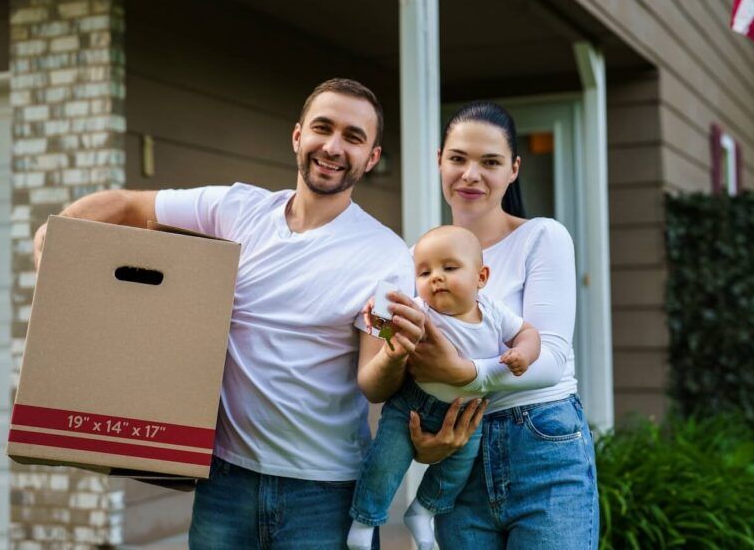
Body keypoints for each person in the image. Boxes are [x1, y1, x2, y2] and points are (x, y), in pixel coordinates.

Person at [31, 78, 448, 549]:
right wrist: (61, 231)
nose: (332, 147)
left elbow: (373, 383)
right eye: (322, 128)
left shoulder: (385, 255)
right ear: (297, 136)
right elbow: (130, 204)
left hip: (325, 494)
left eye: (353, 137)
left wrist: (393, 357)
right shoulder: (239, 209)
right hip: (223, 483)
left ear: (371, 157)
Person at [405, 101, 599, 549]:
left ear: (513, 169)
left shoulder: (542, 237)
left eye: (489, 162)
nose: (470, 174)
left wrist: (463, 374)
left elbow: (550, 361)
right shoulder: (422, 259)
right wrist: (424, 445)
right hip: (460, 455)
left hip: (542, 446)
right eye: (458, 159)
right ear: (439, 161)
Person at [347, 225, 541, 550]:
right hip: (412, 404)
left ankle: (423, 511)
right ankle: (364, 522)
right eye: (424, 272)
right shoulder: (423, 310)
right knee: (385, 464)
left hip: (468, 411)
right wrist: (375, 313)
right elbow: (387, 310)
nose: (435, 277)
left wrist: (523, 353)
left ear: (481, 277)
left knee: (455, 473)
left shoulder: (493, 311)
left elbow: (528, 333)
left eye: (449, 268)